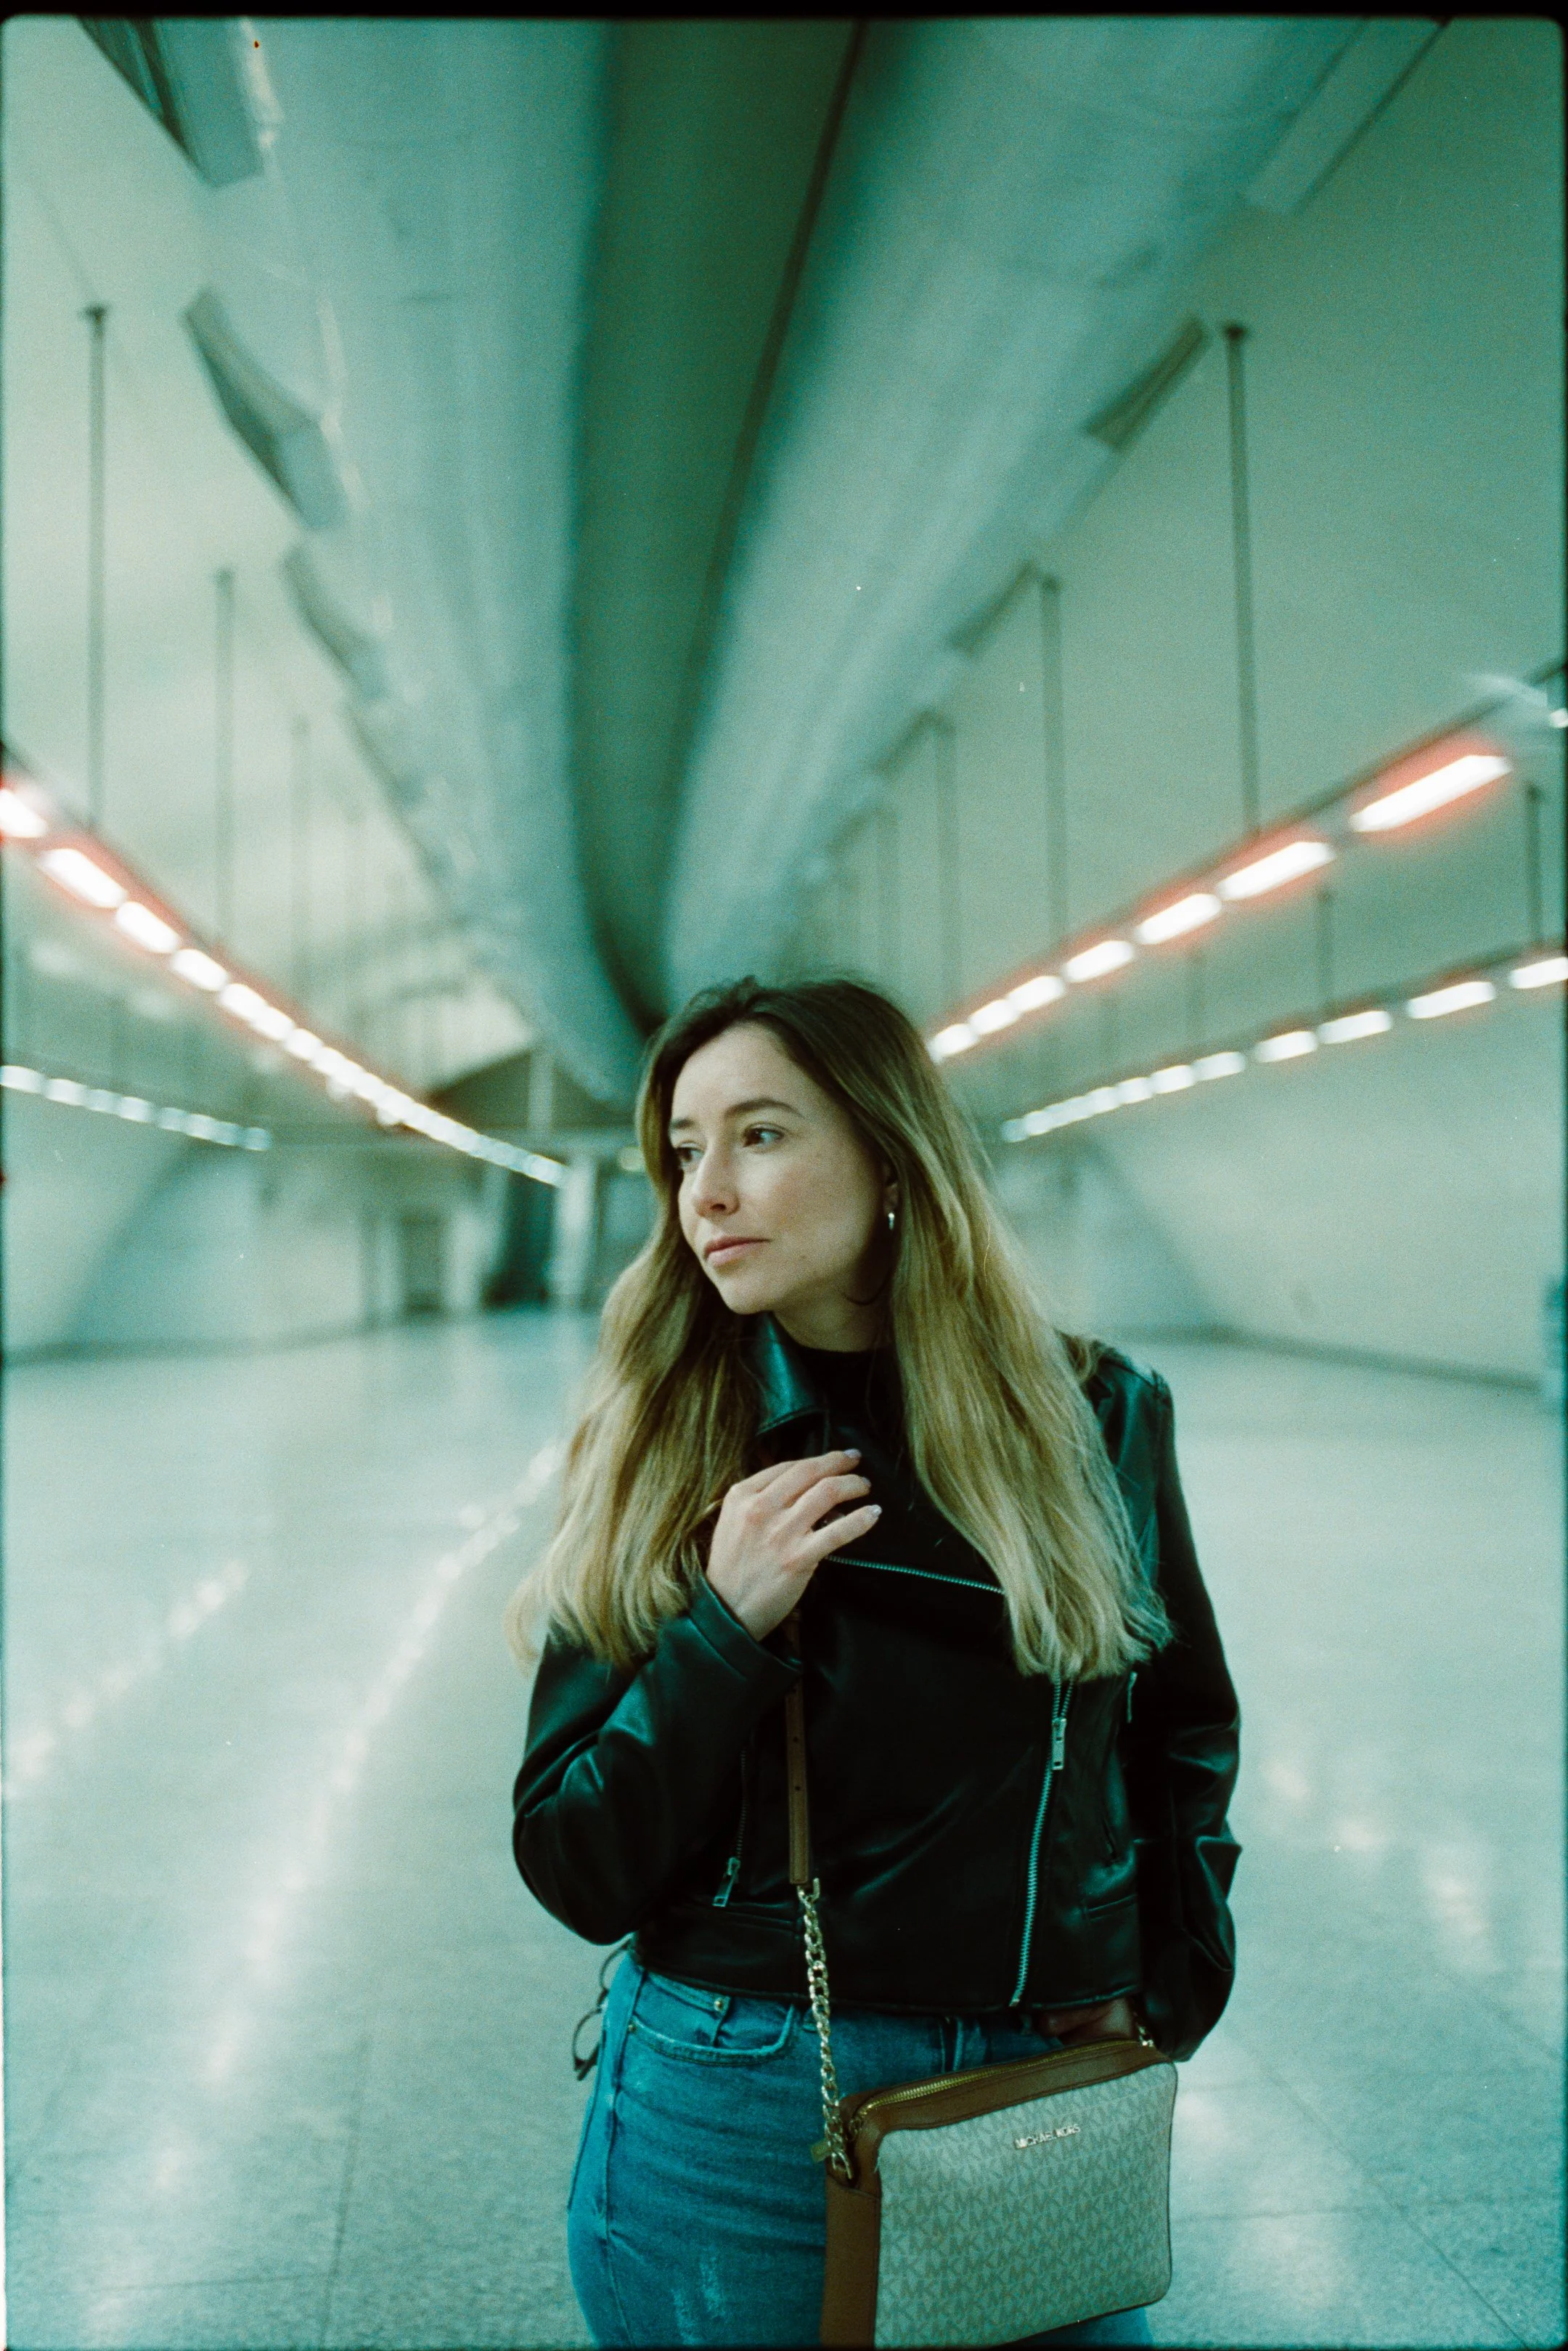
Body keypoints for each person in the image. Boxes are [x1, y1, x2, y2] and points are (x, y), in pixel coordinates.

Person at [509, 975, 1240, 2350]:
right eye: (683, 1151)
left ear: (892, 1157)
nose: (706, 1191)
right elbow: (570, 1851)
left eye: (761, 1136)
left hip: (1045, 2077)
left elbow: (1179, 1730)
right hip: (744, 2094)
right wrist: (720, 1635)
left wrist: (1166, 1980)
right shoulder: (663, 1441)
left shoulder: (1095, 1413)